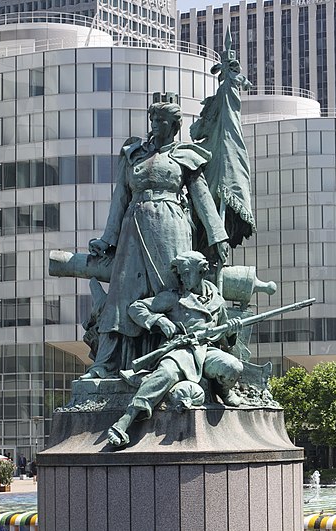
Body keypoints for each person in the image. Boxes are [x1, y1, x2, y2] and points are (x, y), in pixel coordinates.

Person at [81, 93, 229, 380]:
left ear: (175, 126)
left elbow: (201, 197)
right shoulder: (134, 154)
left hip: (170, 227)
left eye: (162, 120)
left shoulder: (185, 155)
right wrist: (107, 238)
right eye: (153, 119)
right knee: (121, 295)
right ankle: (105, 363)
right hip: (133, 228)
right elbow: (120, 197)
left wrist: (217, 235)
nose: (155, 124)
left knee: (170, 292)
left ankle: (169, 362)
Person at [106, 251, 244, 447]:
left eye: (187, 273)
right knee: (166, 373)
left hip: (207, 350)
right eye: (180, 274)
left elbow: (223, 337)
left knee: (233, 367)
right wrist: (159, 320)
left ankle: (223, 391)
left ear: (202, 271)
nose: (183, 278)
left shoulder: (217, 301)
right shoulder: (173, 298)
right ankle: (125, 421)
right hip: (180, 351)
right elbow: (136, 308)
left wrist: (232, 330)